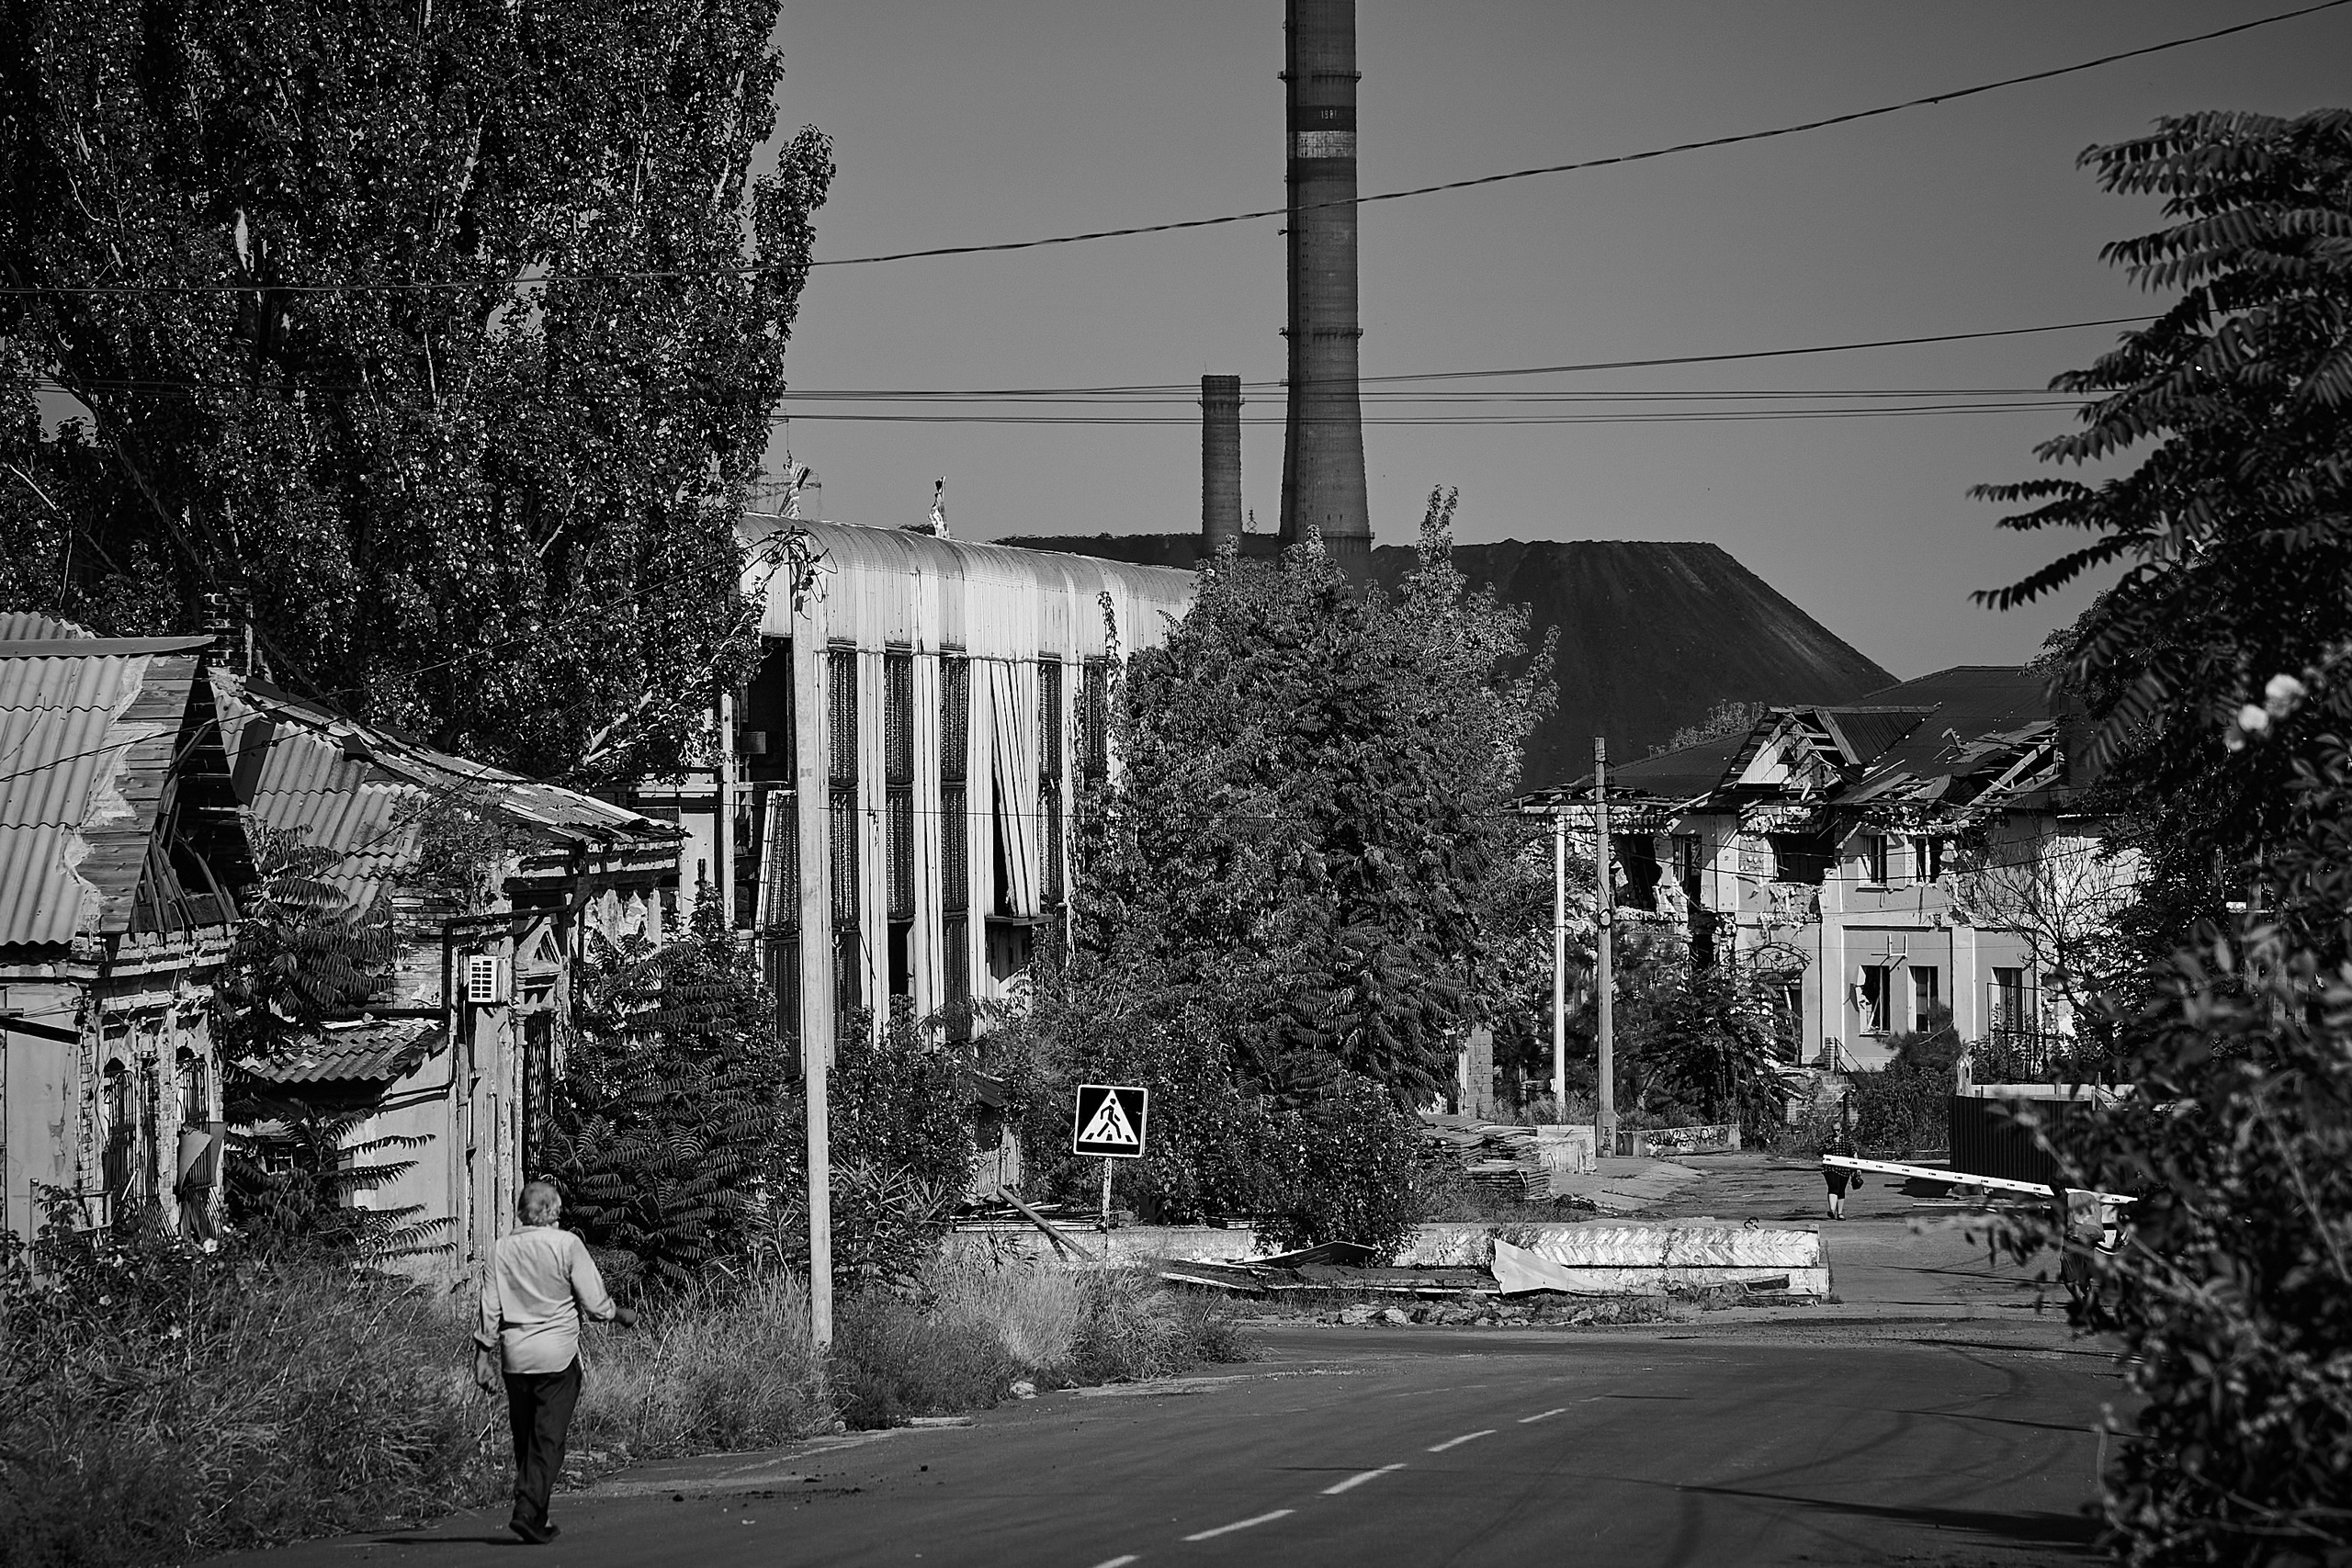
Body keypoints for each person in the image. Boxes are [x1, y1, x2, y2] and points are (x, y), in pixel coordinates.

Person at [474, 1181, 637, 1545]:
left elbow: (489, 1308)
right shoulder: (567, 1245)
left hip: (514, 1357)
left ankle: (536, 1517)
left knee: (525, 1437)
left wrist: (482, 1356)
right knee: (548, 1438)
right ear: (554, 1212)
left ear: (520, 1211)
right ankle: (527, 1508)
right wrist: (619, 1313)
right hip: (557, 1357)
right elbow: (595, 1305)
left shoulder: (500, 1250)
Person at [1822, 1128, 1861, 1221]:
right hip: (1830, 1168)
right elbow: (1820, 1152)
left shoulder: (1848, 1140)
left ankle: (1839, 1213)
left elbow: (1854, 1153)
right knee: (1833, 1187)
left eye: (1838, 1130)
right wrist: (1828, 1146)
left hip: (1844, 1169)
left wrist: (1857, 1167)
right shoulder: (1828, 1140)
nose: (1836, 1132)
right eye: (1834, 1130)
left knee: (1841, 1189)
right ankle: (1832, 1210)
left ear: (1841, 1129)